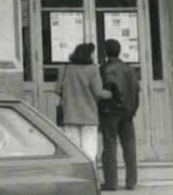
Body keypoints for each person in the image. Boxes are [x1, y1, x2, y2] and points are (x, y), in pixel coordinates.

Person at [57, 42, 111, 159]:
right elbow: (98, 92)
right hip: (89, 115)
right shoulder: (93, 70)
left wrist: (69, 94)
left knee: (73, 150)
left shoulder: (65, 68)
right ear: (88, 55)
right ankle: (90, 174)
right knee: (89, 151)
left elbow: (57, 89)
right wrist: (111, 94)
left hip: (70, 114)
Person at [99, 38, 140, 191]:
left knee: (110, 146)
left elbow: (101, 92)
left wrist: (102, 110)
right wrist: (133, 109)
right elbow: (136, 91)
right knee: (129, 147)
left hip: (110, 112)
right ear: (119, 50)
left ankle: (111, 182)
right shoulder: (129, 68)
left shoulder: (104, 69)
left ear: (105, 52)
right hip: (128, 112)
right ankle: (131, 182)